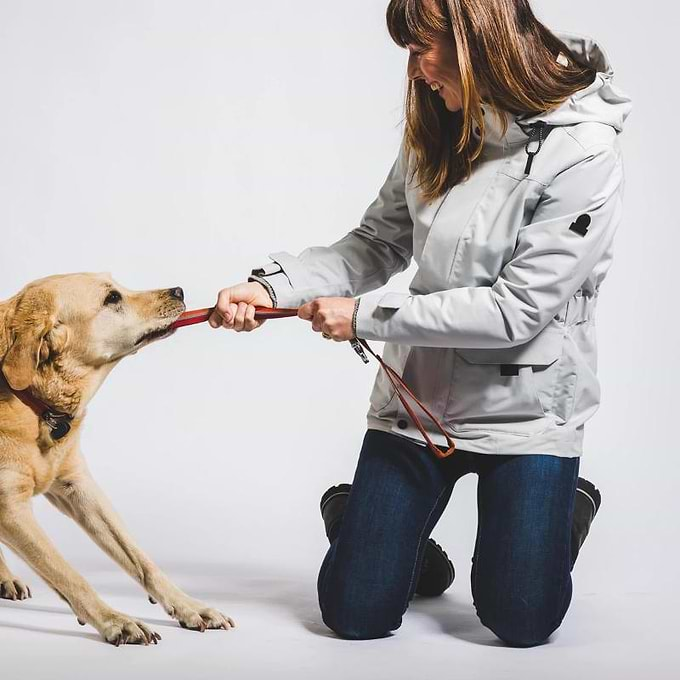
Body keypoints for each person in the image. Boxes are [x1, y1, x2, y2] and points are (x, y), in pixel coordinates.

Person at [209, 0, 632, 647]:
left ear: (477, 39)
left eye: (421, 48)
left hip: (527, 416)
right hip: (422, 402)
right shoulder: (438, 124)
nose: (414, 70)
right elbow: (375, 244)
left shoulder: (582, 149)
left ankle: (561, 511)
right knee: (356, 612)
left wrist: (366, 317)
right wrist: (272, 288)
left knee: (521, 618)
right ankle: (371, 525)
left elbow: (518, 310)